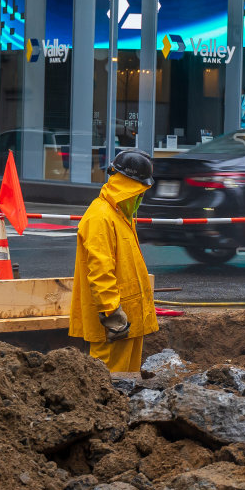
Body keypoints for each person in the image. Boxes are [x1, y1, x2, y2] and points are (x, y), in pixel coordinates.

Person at [70, 149, 159, 373]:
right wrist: (112, 314)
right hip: (114, 324)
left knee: (128, 382)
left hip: (128, 322)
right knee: (111, 383)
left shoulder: (120, 214)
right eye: (140, 191)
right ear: (129, 186)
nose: (141, 196)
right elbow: (100, 271)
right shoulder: (101, 216)